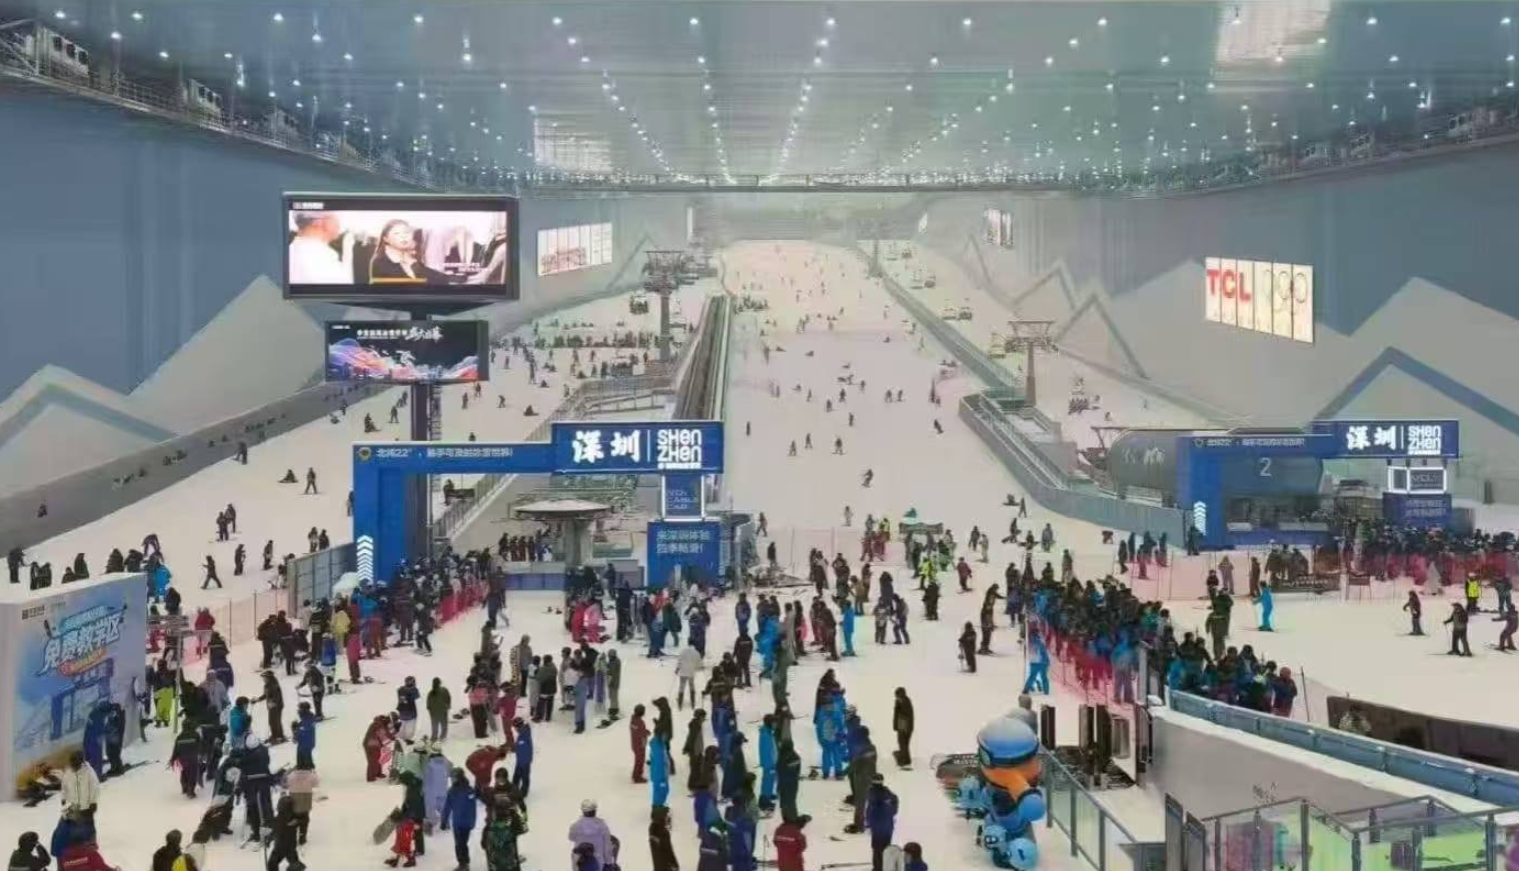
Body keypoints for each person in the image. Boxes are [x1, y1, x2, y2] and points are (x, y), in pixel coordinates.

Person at [441, 769, 477, 870]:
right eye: (452, 778)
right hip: (456, 823)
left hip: (466, 823)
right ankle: (462, 863)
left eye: (454, 778)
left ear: (460, 777)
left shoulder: (469, 791)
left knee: (462, 844)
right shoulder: (452, 791)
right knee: (458, 844)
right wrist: (444, 820)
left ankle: (465, 864)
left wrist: (472, 822)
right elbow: (447, 806)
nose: (452, 780)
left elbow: (472, 808)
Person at [864, 774, 899, 871]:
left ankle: (878, 868)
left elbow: (870, 811)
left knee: (877, 849)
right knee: (886, 848)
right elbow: (894, 808)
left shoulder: (872, 794)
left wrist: (868, 824)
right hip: (888, 826)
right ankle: (885, 866)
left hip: (877, 827)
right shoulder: (889, 793)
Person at [567, 799, 615, 870]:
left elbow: (571, 837)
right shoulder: (602, 825)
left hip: (579, 861)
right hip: (597, 862)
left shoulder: (575, 825)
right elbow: (607, 846)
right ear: (595, 811)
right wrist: (608, 863)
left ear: (583, 811)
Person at [267, 795, 304, 871]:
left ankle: (297, 867)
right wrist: (268, 838)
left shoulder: (287, 819)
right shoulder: (282, 818)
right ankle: (297, 867)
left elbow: (274, 830)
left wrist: (268, 838)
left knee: (273, 863)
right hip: (281, 846)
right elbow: (274, 830)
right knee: (272, 863)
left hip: (286, 847)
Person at [649, 805, 678, 871]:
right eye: (666, 817)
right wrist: (673, 864)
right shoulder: (660, 832)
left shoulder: (654, 829)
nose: (668, 820)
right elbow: (666, 851)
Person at [892, 688, 914, 768]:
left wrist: (904, 728)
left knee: (903, 744)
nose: (896, 697)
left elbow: (904, 716)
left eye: (897, 695)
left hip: (904, 727)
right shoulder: (902, 701)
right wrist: (895, 726)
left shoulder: (904, 702)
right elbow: (897, 715)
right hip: (903, 727)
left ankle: (904, 761)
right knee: (904, 744)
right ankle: (907, 760)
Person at [427, 678, 452, 743]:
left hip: (434, 712)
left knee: (434, 725)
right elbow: (448, 698)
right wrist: (448, 706)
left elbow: (428, 704)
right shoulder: (444, 690)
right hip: (442, 711)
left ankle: (434, 737)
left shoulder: (431, 692)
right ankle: (443, 737)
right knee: (444, 724)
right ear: (440, 683)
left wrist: (430, 711)